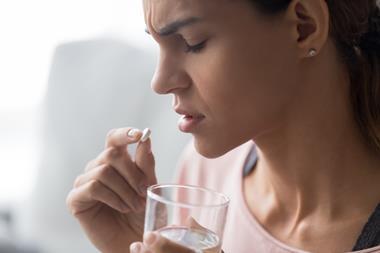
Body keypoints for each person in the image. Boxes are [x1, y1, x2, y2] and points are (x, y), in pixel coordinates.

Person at [66, 0, 380, 252]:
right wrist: (129, 245)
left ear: (303, 26)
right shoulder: (205, 177)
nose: (160, 82)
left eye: (192, 42)